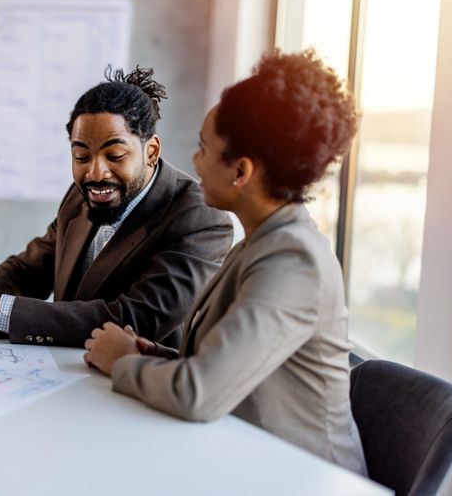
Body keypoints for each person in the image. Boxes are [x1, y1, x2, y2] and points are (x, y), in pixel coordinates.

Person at [84, 50, 368, 474]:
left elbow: (198, 393)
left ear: (241, 171)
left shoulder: (294, 260)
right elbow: (226, 365)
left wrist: (123, 363)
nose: (194, 160)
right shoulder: (263, 240)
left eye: (203, 147)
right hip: (245, 457)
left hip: (303, 478)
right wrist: (150, 353)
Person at [0, 67, 233, 347]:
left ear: (150, 151)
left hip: (135, 390)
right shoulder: (80, 197)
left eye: (114, 156)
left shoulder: (200, 216)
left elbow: (137, 319)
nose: (96, 173)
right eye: (81, 157)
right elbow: (29, 271)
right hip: (65, 375)